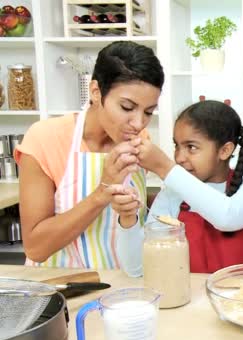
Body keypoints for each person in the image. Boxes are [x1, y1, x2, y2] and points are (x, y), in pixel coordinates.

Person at [15, 41, 164, 270]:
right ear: (95, 91)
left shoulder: (139, 139)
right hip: (64, 287)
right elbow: (36, 248)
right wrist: (102, 193)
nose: (138, 123)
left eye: (148, 112)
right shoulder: (45, 138)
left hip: (123, 286)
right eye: (126, 107)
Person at [114, 100, 243, 276]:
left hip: (241, 300)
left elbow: (227, 217)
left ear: (224, 151)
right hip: (187, 302)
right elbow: (137, 269)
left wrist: (164, 167)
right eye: (177, 146)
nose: (179, 157)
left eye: (191, 147)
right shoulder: (171, 195)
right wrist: (128, 219)